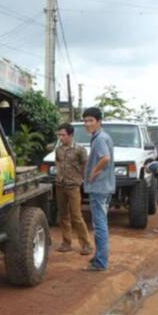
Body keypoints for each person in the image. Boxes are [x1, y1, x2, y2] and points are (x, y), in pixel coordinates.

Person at [82, 107, 115, 272]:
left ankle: (101, 262)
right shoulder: (100, 137)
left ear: (99, 121)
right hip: (104, 187)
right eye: (85, 121)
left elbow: (105, 158)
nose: (87, 124)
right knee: (100, 223)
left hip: (99, 187)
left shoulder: (100, 138)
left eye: (91, 120)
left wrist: (92, 174)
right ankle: (99, 256)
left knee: (100, 224)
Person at [54, 123, 92, 255]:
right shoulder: (58, 149)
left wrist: (81, 179)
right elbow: (58, 164)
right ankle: (66, 242)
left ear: (70, 135)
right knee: (63, 215)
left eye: (63, 135)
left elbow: (85, 166)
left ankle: (86, 244)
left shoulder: (80, 150)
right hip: (60, 186)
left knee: (76, 215)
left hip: (73, 186)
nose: (60, 137)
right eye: (59, 135)